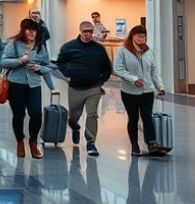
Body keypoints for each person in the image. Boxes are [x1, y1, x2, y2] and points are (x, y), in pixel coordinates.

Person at [56, 21, 113, 157]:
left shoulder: (98, 49)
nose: (88, 34)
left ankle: (90, 142)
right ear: (80, 31)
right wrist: (68, 75)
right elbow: (61, 63)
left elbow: (107, 66)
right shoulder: (70, 47)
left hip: (94, 87)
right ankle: (75, 126)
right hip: (76, 87)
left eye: (90, 31)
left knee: (92, 114)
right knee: (74, 115)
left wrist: (102, 79)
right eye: (85, 31)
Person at [0, 18, 53, 159]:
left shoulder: (40, 46)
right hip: (16, 84)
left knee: (36, 113)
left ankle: (33, 141)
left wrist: (39, 68)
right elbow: (3, 61)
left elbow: (48, 66)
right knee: (19, 115)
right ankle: (19, 141)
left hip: (34, 85)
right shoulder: (14, 44)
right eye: (29, 30)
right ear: (23, 30)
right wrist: (20, 61)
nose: (32, 33)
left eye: (34, 30)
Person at [113, 25, 167, 156]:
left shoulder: (149, 51)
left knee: (147, 116)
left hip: (147, 91)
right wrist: (133, 79)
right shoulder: (123, 50)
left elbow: (154, 70)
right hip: (129, 92)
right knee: (133, 118)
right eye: (139, 36)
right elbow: (118, 69)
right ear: (133, 36)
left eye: (143, 36)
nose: (142, 39)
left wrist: (160, 86)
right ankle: (134, 144)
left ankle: (152, 144)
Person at [28, 9, 55, 91]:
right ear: (29, 15)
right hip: (31, 53)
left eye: (37, 13)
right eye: (33, 13)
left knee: (46, 73)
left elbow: (47, 36)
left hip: (42, 53)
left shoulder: (42, 24)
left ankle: (53, 91)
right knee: (31, 73)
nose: (35, 14)